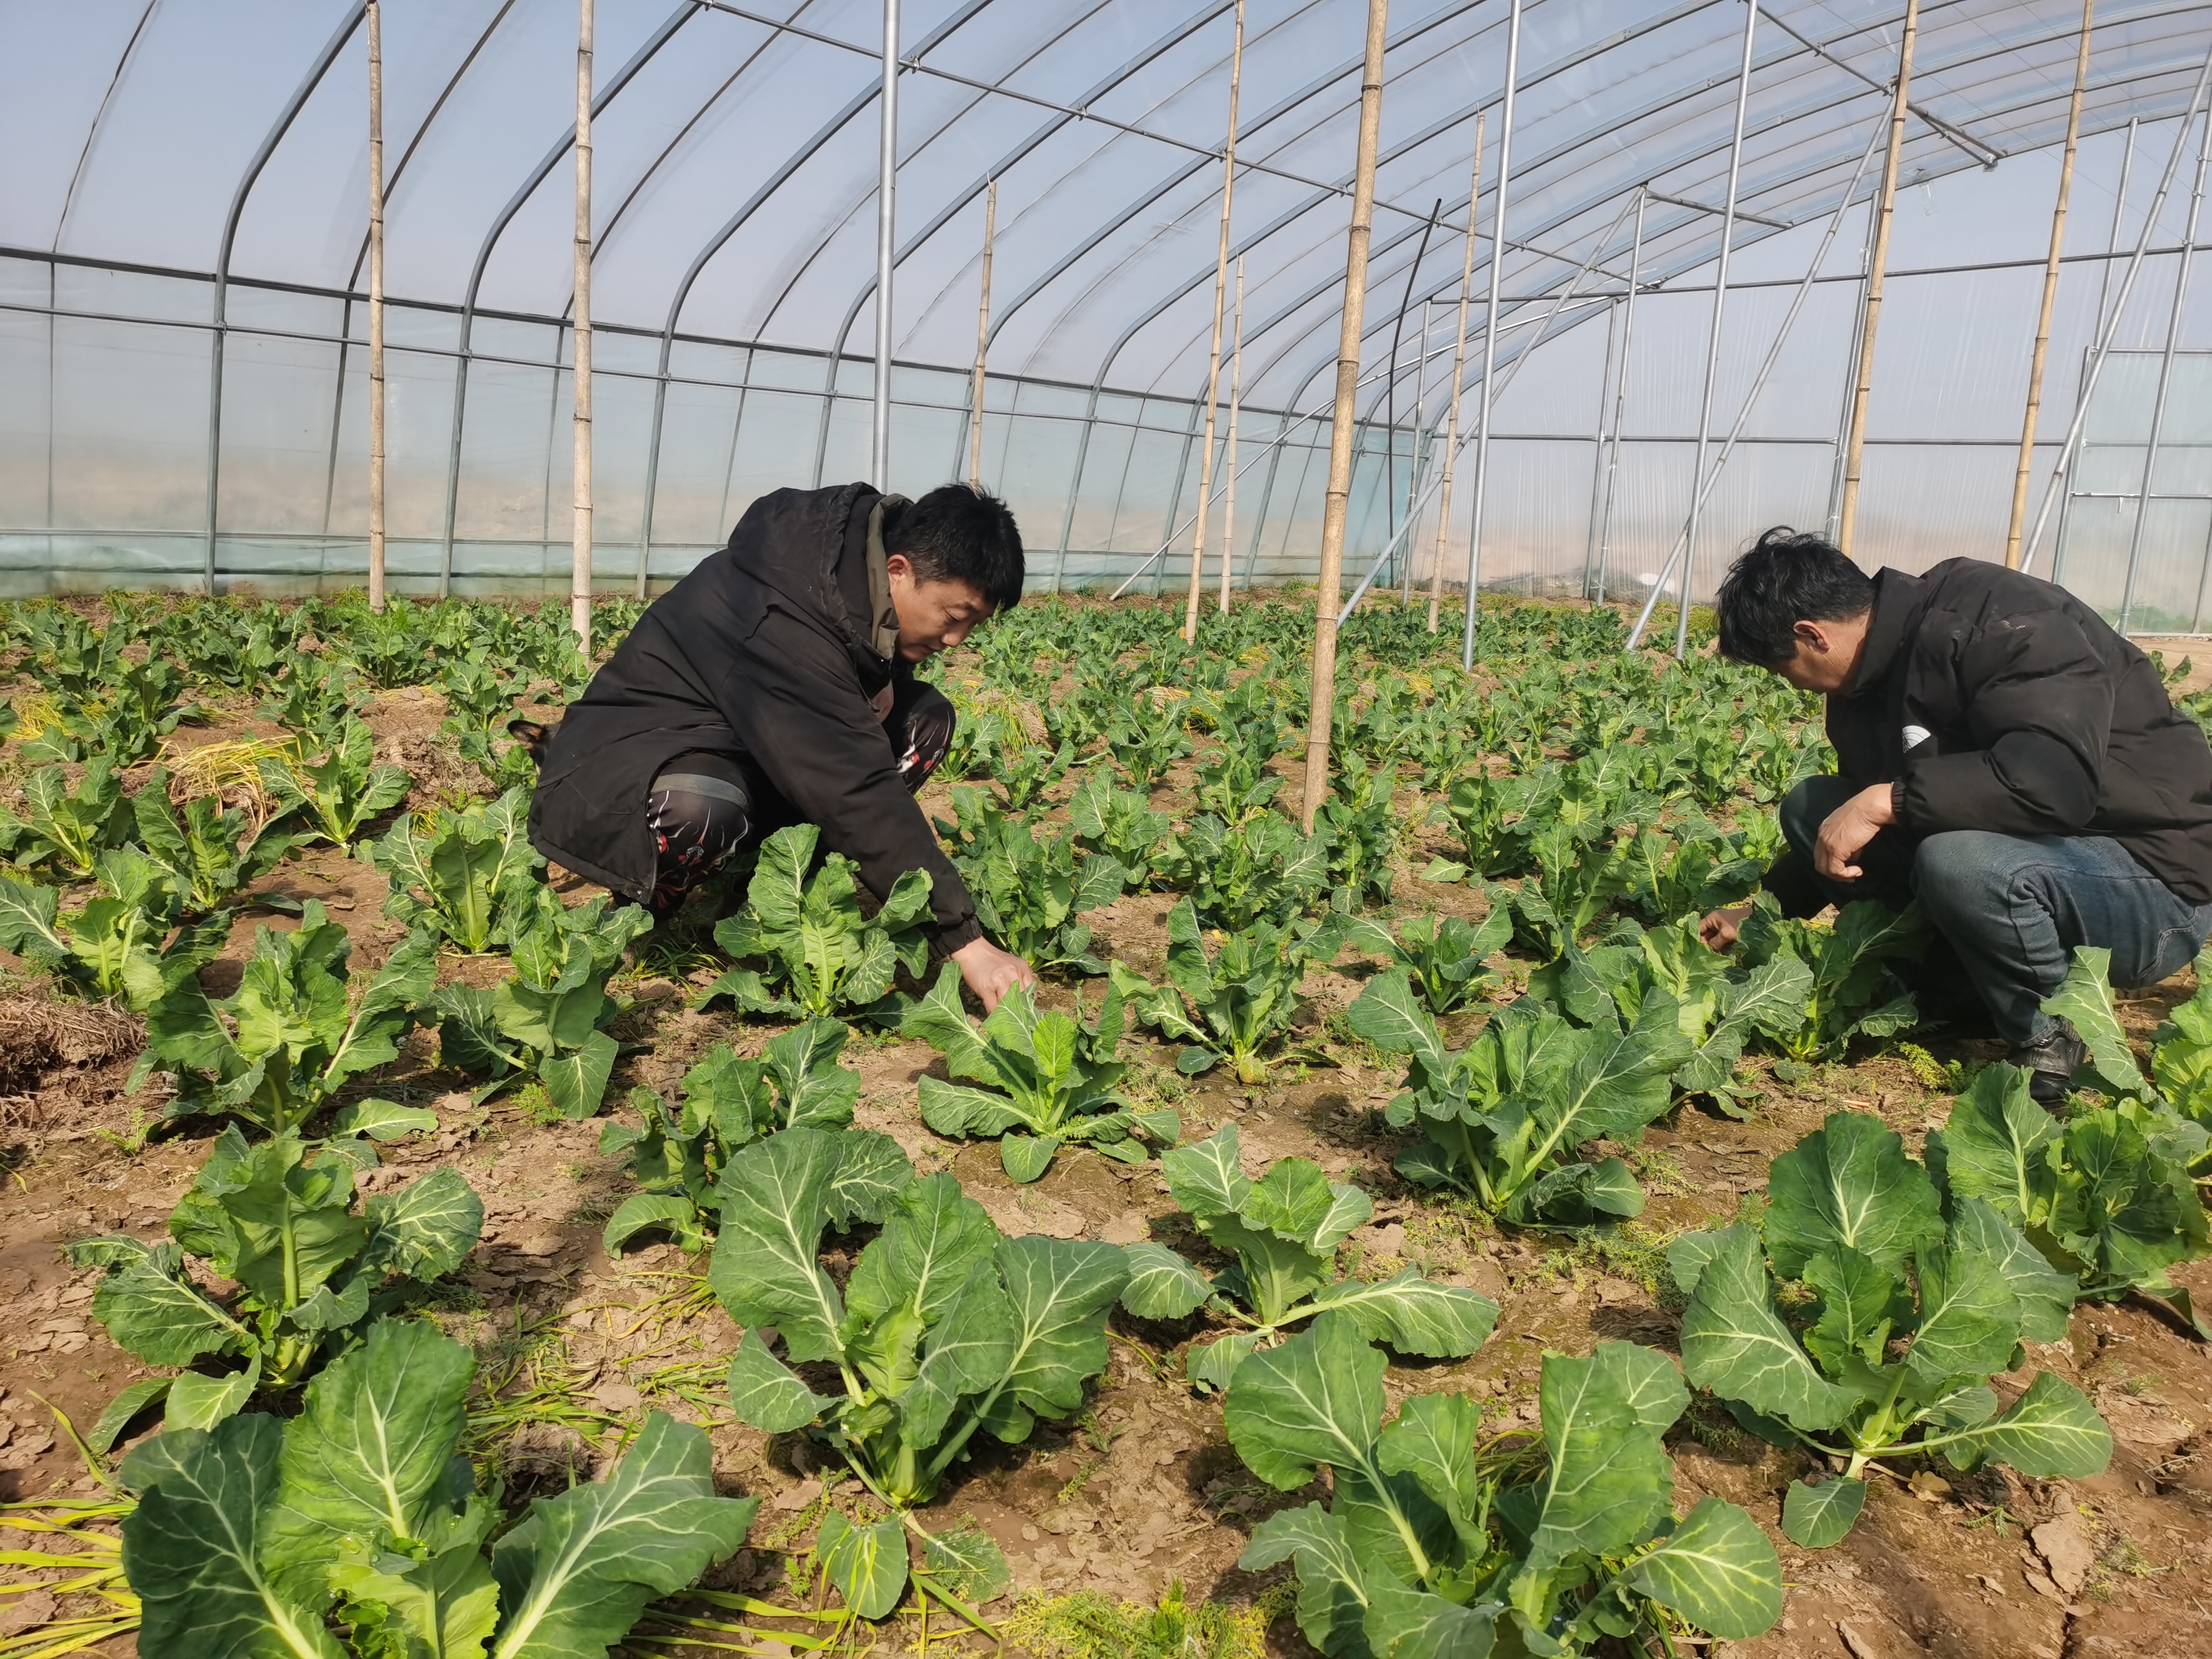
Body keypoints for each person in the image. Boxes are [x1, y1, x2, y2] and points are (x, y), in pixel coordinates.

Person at [1698, 527, 2212, 1107]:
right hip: (2033, 857)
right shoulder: (1864, 684)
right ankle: (1961, 996)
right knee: (1814, 807)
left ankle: (2047, 1038)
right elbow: (1855, 831)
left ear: (1812, 634)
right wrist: (1761, 911)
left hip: (2147, 882)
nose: (1790, 684)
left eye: (1781, 667)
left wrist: (1890, 800)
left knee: (1960, 861)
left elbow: (2054, 784)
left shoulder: (2004, 622)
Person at [526, 481, 1039, 1011]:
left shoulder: (851, 576)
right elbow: (855, 786)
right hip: (625, 766)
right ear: (898, 570)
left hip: (743, 745)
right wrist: (965, 941)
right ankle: (645, 903)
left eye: (973, 626)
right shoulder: (780, 612)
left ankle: (774, 885)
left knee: (923, 721)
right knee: (699, 811)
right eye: (954, 617)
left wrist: (883, 676)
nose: (955, 640)